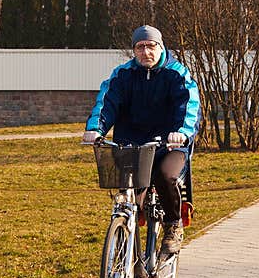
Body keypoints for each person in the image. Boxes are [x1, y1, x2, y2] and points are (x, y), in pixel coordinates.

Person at [82, 24, 201, 257]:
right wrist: (96, 129)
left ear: (161, 47)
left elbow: (189, 107)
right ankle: (130, 258)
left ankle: (173, 226)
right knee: (131, 199)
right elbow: (106, 104)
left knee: (165, 176)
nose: (146, 52)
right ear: (134, 50)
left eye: (151, 46)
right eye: (140, 47)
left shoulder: (176, 74)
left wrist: (181, 132)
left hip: (170, 145)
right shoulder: (123, 75)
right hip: (132, 146)